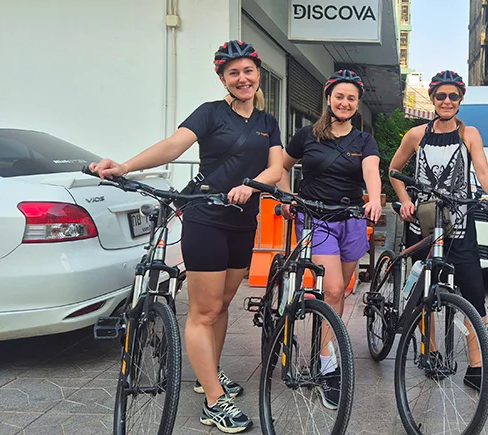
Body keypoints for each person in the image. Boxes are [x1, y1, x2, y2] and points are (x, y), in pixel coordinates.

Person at [90, 40, 283, 432]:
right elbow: (174, 146)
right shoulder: (211, 113)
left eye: (248, 71)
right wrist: (126, 165)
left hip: (244, 222)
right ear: (223, 78)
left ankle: (207, 372)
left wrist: (252, 185)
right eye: (233, 73)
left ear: (257, 74)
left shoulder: (268, 122)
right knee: (204, 311)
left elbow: (276, 168)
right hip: (206, 219)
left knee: (224, 304)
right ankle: (214, 399)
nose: (242, 78)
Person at [388, 70, 488, 401]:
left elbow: (482, 169)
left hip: (460, 225)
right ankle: (430, 351)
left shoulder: (469, 133)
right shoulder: (415, 135)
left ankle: (476, 370)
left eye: (453, 96)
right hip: (424, 224)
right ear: (432, 97)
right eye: (440, 96)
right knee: (425, 293)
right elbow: (394, 171)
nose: (446, 101)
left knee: (473, 296)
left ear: (460, 99)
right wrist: (405, 201)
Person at [275, 69, 383, 409]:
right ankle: (327, 366)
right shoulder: (308, 135)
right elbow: (281, 165)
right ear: (329, 98)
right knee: (333, 288)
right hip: (315, 217)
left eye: (351, 98)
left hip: (351, 219)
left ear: (356, 103)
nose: (345, 102)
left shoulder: (364, 140)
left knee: (341, 292)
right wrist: (286, 197)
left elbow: (370, 171)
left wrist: (376, 198)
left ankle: (328, 343)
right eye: (340, 96)